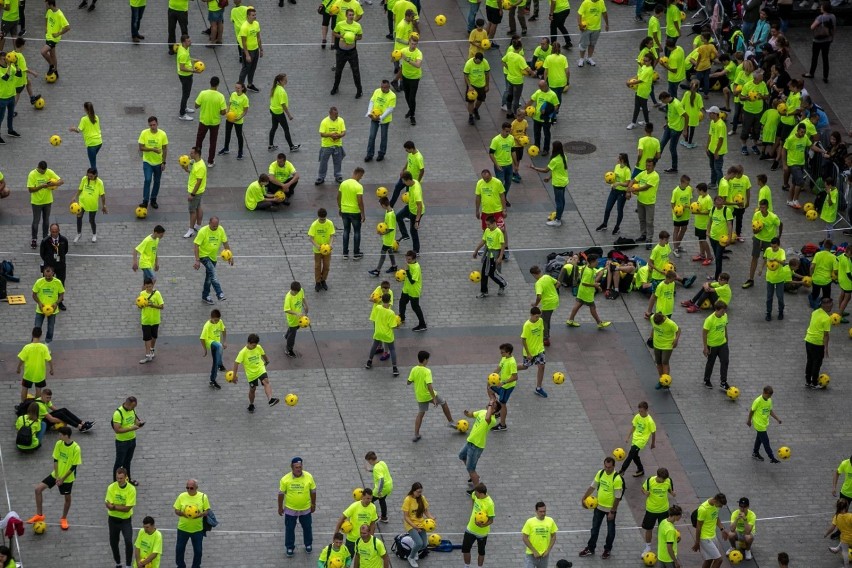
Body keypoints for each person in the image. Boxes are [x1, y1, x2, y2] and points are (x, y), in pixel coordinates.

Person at [26, 426, 81, 530]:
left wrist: (62, 479)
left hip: (67, 479)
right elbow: (55, 459)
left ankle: (64, 518)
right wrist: (56, 475)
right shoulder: (58, 443)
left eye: (60, 434)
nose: (58, 436)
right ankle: (39, 515)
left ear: (66, 436)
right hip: (55, 475)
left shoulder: (76, 448)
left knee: (67, 499)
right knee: (38, 489)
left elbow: (74, 466)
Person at [579, 457, 623, 559]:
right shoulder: (601, 473)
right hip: (598, 507)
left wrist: (612, 512)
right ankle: (590, 548)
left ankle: (607, 550)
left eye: (609, 467)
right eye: (605, 466)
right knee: (594, 529)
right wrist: (584, 498)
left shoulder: (616, 479)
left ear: (614, 466)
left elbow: (617, 498)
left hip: (610, 510)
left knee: (610, 532)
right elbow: (592, 487)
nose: (607, 469)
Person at [408, 350, 455, 441]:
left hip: (420, 396)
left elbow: (408, 382)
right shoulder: (427, 371)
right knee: (443, 402)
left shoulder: (414, 369)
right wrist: (434, 399)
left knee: (421, 414)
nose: (428, 361)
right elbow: (429, 386)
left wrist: (414, 380)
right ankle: (450, 422)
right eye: (428, 359)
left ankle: (416, 434)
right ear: (425, 360)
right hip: (429, 395)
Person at [278, 457, 317, 557]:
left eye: (300, 467)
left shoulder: (309, 476)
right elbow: (281, 494)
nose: (299, 469)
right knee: (290, 528)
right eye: (296, 467)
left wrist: (313, 504)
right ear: (292, 467)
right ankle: (290, 547)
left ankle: (308, 544)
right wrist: (280, 507)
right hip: (290, 509)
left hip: (305, 508)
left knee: (307, 527)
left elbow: (313, 491)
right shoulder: (285, 479)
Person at [232, 333, 280, 412]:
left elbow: (263, 354)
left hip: (260, 369)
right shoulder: (243, 352)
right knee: (252, 390)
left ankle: (270, 400)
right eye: (253, 345)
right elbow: (236, 363)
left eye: (255, 345)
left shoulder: (258, 347)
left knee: (266, 381)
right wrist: (234, 376)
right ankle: (251, 404)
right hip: (251, 374)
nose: (254, 347)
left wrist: (267, 361)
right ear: (248, 343)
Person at [459, 401, 500, 489]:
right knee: (462, 455)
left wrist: (490, 405)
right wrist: (467, 414)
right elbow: (472, 414)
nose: (490, 405)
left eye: (493, 406)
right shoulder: (482, 412)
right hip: (470, 441)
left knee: (471, 469)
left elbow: (487, 418)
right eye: (490, 404)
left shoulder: (492, 420)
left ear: (494, 411)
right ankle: (473, 476)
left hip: (476, 446)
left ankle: (477, 489)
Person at [565, 254, 612, 329]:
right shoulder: (588, 272)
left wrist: (603, 269)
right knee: (592, 307)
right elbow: (584, 282)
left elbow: (594, 275)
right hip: (586, 292)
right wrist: (595, 285)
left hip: (582, 291)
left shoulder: (588, 267)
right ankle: (599, 323)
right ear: (592, 262)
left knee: (578, 305)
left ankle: (570, 320)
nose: (597, 262)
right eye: (596, 261)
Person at [192, 217, 233, 304]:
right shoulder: (203, 231)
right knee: (213, 273)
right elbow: (196, 245)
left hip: (213, 257)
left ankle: (205, 296)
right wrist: (197, 260)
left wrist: (230, 256)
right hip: (204, 256)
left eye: (216, 226)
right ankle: (219, 293)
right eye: (214, 226)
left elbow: (225, 243)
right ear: (209, 223)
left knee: (209, 278)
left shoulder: (220, 229)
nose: (215, 228)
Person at [174, 479, 210, 568]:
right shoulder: (181, 496)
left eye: (191, 488)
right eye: (187, 488)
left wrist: (199, 515)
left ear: (196, 488)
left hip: (197, 530)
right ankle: (181, 566)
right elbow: (176, 510)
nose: (189, 490)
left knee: (198, 551)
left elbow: (207, 511)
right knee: (179, 550)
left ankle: (196, 566)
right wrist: (183, 514)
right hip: (183, 529)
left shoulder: (203, 497)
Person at [27, 160, 63, 248]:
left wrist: (54, 183)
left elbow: (61, 181)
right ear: (38, 168)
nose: (44, 173)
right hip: (36, 202)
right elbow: (30, 189)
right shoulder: (32, 174)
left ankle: (45, 238)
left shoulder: (49, 172)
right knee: (36, 221)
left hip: (47, 201)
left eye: (45, 171)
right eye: (42, 171)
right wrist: (41, 186)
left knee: (46, 221)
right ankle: (34, 239)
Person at [105, 467, 137, 568]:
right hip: (113, 520)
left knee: (128, 541)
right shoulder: (111, 487)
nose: (119, 480)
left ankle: (128, 565)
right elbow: (107, 504)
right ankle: (118, 562)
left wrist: (114, 506)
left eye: (121, 478)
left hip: (125, 520)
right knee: (113, 543)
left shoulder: (131, 489)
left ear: (126, 477)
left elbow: (127, 508)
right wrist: (118, 507)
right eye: (117, 478)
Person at [641, 469, 675, 557]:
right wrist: (645, 492)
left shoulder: (668, 480)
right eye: (662, 479)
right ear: (657, 476)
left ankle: (663, 547)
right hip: (651, 510)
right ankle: (648, 547)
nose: (663, 481)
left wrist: (673, 493)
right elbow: (642, 489)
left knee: (664, 530)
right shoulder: (649, 481)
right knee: (649, 529)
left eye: (664, 479)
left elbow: (670, 490)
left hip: (664, 510)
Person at [193, 76, 226, 167]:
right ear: (218, 85)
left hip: (203, 121)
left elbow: (196, 105)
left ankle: (196, 158)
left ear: (210, 83)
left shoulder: (203, 93)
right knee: (213, 142)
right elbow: (223, 112)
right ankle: (210, 161)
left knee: (199, 141)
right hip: (215, 123)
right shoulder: (220, 96)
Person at [472, 215, 507, 299]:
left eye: (488, 224)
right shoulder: (487, 230)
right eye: (486, 224)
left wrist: (500, 257)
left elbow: (502, 245)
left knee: (491, 274)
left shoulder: (498, 232)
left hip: (494, 256)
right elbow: (483, 241)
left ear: (494, 223)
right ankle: (484, 291)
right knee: (484, 273)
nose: (487, 226)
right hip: (488, 255)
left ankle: (502, 284)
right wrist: (476, 250)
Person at [692, 494, 730, 568]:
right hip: (705, 538)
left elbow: (716, 517)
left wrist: (722, 529)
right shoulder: (703, 509)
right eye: (720, 505)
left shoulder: (715, 505)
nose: (721, 507)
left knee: (709, 560)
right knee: (719, 560)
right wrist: (697, 542)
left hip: (713, 536)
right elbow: (698, 527)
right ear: (715, 500)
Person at [138, 116, 168, 210]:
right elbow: (141, 147)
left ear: (157, 123)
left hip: (158, 163)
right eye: (150, 125)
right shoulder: (144, 133)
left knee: (157, 181)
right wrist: (152, 149)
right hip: (147, 162)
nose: (152, 127)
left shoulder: (162, 134)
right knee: (147, 180)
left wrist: (164, 162)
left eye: (154, 124)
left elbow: (165, 149)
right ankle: (145, 201)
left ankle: (153, 199)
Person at [365, 293, 399, 375]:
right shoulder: (391, 313)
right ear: (390, 300)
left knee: (374, 346)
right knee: (392, 349)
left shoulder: (378, 307)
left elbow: (375, 318)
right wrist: (398, 325)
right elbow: (393, 326)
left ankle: (369, 362)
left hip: (378, 332)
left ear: (382, 300)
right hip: (387, 334)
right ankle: (394, 368)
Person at [619, 401, 656, 478]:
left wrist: (653, 443)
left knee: (631, 453)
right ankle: (640, 470)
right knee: (635, 456)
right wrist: (628, 436)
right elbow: (634, 427)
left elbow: (653, 432)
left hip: (641, 440)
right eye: (639, 411)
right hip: (635, 438)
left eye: (641, 411)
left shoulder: (650, 421)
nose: (640, 413)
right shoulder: (637, 416)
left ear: (646, 410)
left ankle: (622, 470)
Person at [461, 484, 494, 568]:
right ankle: (466, 566)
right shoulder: (475, 495)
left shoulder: (490, 504)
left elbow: (491, 520)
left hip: (482, 533)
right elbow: (472, 498)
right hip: (470, 528)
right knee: (465, 549)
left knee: (481, 552)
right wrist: (473, 509)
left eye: (476, 493)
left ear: (481, 493)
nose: (474, 494)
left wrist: (483, 525)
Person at [331, 9, 363, 98]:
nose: (351, 16)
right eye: (350, 15)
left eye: (353, 15)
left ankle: (359, 90)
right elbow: (334, 33)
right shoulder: (340, 24)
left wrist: (353, 37)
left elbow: (360, 37)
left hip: (352, 52)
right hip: (341, 52)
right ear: (346, 15)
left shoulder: (357, 26)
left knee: (356, 72)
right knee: (338, 71)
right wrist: (342, 36)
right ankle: (335, 87)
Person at [112, 396, 143, 485]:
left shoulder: (132, 410)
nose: (134, 408)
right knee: (119, 463)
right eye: (133, 406)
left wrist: (138, 423)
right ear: (128, 404)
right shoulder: (118, 413)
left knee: (127, 462)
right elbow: (117, 429)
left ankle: (127, 480)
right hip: (122, 442)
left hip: (132, 440)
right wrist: (131, 428)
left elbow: (134, 420)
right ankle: (115, 483)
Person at [16, 326, 52, 403]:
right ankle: (36, 405)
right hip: (39, 373)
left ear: (32, 334)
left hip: (28, 372)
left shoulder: (27, 347)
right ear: (41, 335)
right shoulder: (44, 347)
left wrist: (18, 368)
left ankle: (23, 405)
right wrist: (52, 369)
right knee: (38, 389)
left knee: (25, 388)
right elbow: (49, 359)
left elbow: (22, 359)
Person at [71, 168, 106, 243]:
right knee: (79, 217)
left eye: (91, 176)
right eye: (88, 175)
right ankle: (79, 233)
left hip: (92, 205)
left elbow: (102, 195)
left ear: (95, 175)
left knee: (91, 220)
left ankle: (94, 234)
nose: (89, 177)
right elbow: (80, 189)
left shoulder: (99, 182)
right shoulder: (84, 179)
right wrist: (75, 196)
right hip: (82, 202)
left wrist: (104, 206)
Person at [401, 482, 433, 567]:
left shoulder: (422, 498)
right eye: (418, 492)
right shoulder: (408, 500)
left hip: (421, 523)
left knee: (424, 544)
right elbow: (406, 517)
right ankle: (411, 557)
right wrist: (414, 526)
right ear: (413, 491)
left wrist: (431, 518)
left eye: (421, 492)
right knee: (419, 543)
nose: (419, 494)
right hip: (410, 524)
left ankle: (414, 549)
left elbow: (426, 511)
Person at [631, 159, 660, 249]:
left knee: (649, 221)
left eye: (649, 166)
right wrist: (629, 188)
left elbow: (646, 187)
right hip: (640, 200)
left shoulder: (655, 176)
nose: (647, 167)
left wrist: (634, 189)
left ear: (654, 166)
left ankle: (649, 240)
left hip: (649, 202)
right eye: (647, 165)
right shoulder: (643, 173)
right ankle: (643, 235)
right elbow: (634, 180)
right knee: (642, 219)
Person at [39, 223, 68, 310]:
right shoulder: (45, 241)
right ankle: (46, 300)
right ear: (50, 231)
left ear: (59, 231)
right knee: (47, 283)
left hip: (60, 265)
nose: (54, 233)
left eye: (56, 231)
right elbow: (42, 254)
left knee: (61, 284)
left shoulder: (63, 240)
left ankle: (60, 302)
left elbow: (65, 250)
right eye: (53, 232)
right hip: (49, 266)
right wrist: (48, 261)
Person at [805, 296, 833, 388]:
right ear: (824, 305)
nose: (830, 306)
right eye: (829, 305)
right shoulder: (826, 318)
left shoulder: (815, 312)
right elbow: (826, 335)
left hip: (808, 340)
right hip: (818, 343)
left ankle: (808, 381)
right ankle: (814, 383)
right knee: (816, 364)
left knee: (809, 361)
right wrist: (826, 348)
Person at [31, 265, 64, 343]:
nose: (47, 277)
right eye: (46, 275)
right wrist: (39, 303)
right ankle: (34, 343)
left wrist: (56, 303)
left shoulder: (57, 282)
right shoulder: (39, 282)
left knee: (50, 328)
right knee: (37, 327)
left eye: (49, 275)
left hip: (53, 310)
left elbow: (61, 295)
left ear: (53, 273)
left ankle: (47, 344)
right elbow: (34, 294)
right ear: (43, 273)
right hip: (40, 309)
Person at [803, 2, 835, 83]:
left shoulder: (820, 17)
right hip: (827, 40)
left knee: (815, 57)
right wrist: (832, 38)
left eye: (821, 7)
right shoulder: (833, 16)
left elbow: (812, 27)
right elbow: (833, 29)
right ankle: (825, 76)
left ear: (824, 9)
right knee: (825, 58)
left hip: (818, 40)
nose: (820, 8)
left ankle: (811, 73)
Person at [338, 168, 366, 260]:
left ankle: (345, 253)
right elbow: (360, 201)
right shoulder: (358, 186)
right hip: (355, 212)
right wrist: (363, 213)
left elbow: (338, 197)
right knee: (357, 232)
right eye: (361, 176)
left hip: (344, 211)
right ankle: (356, 253)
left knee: (346, 231)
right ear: (357, 173)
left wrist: (340, 208)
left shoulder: (343, 183)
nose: (361, 178)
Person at [365, 80, 395, 162]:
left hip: (385, 120)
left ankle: (381, 153)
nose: (382, 89)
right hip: (374, 117)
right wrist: (369, 112)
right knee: (372, 136)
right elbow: (371, 101)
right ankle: (369, 154)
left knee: (383, 137)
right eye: (381, 86)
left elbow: (390, 109)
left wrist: (381, 117)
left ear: (389, 87)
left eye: (385, 87)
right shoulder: (377, 91)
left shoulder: (392, 96)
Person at [268, 74, 299, 153]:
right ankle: (291, 147)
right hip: (279, 112)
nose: (286, 81)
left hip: (273, 110)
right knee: (286, 129)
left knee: (274, 127)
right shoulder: (282, 91)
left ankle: (270, 145)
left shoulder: (275, 87)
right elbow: (283, 104)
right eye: (285, 79)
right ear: (281, 81)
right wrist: (289, 115)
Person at [702, 300, 729, 390]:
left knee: (725, 362)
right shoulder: (709, 320)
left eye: (724, 310)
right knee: (710, 363)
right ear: (717, 310)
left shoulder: (724, 316)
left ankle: (723, 382)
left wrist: (726, 339)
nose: (724, 312)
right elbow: (704, 333)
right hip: (712, 346)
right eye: (722, 310)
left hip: (723, 344)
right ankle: (707, 380)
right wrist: (705, 347)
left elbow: (725, 327)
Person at [396, 36, 423, 125]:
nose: (413, 45)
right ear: (409, 42)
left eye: (415, 44)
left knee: (412, 97)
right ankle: (411, 110)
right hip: (405, 76)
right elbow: (393, 59)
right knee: (407, 96)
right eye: (412, 43)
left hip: (415, 78)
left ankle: (412, 116)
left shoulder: (418, 53)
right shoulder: (404, 51)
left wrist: (407, 59)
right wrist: (393, 56)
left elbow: (418, 65)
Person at [68, 102, 102, 170]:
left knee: (93, 165)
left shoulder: (84, 119)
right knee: (93, 159)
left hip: (91, 144)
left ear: (85, 109)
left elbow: (78, 130)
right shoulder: (96, 117)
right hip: (99, 142)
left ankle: (94, 178)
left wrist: (73, 129)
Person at [40, 0, 70, 79]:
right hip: (48, 36)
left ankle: (51, 65)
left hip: (54, 38)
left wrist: (58, 34)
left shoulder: (60, 15)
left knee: (43, 52)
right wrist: (46, 27)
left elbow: (68, 27)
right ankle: (56, 71)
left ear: (51, 5)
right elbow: (46, 18)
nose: (46, 7)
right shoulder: (49, 11)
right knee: (53, 55)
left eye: (47, 5)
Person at [219, 82, 249, 160]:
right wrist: (227, 112)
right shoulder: (233, 94)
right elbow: (230, 104)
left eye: (238, 88)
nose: (236, 89)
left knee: (239, 136)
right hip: (229, 118)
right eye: (236, 87)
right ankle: (226, 148)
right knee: (227, 134)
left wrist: (239, 118)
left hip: (238, 120)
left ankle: (240, 152)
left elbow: (245, 111)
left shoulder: (245, 98)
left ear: (242, 88)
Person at [317, 107, 346, 185]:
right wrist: (330, 135)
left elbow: (344, 132)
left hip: (337, 145)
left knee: (338, 161)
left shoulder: (341, 120)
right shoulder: (324, 122)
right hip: (326, 146)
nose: (337, 115)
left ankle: (338, 175)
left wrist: (339, 135)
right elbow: (322, 134)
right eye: (335, 114)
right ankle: (321, 177)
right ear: (330, 113)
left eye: (337, 113)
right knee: (323, 162)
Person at [137, 277, 163, 365]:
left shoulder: (157, 294)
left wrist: (153, 305)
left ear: (153, 285)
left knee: (154, 336)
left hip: (155, 320)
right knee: (147, 338)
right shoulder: (142, 293)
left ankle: (152, 349)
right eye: (147, 286)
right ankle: (148, 355)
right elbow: (139, 306)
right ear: (144, 286)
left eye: (150, 286)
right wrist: (141, 306)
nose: (149, 288)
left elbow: (162, 306)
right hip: (145, 320)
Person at [390, 141, 425, 206]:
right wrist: (403, 170)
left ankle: (409, 208)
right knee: (397, 187)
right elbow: (408, 161)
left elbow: (422, 171)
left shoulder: (419, 158)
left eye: (407, 149)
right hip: (405, 176)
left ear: (411, 148)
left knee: (408, 196)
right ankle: (391, 204)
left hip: (411, 180)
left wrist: (418, 181)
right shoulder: (410, 153)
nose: (406, 150)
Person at [308, 208, 336, 290]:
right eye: (321, 219)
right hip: (318, 250)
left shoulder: (330, 223)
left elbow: (332, 235)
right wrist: (317, 246)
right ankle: (317, 282)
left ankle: (323, 280)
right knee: (317, 266)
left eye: (324, 219)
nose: (323, 221)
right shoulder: (314, 225)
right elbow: (311, 237)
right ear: (318, 217)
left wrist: (330, 245)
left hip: (327, 250)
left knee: (326, 266)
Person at [181, 147, 206, 237]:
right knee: (198, 207)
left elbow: (198, 182)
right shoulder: (195, 162)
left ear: (197, 154)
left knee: (192, 210)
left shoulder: (200, 167)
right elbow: (192, 173)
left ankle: (191, 230)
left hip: (195, 191)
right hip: (198, 191)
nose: (190, 155)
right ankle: (198, 226)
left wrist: (192, 194)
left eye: (192, 153)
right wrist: (185, 167)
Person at [399, 250, 426, 331]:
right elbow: (406, 276)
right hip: (406, 288)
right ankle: (402, 318)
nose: (407, 261)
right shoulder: (409, 264)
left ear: (414, 259)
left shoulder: (416, 268)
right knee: (402, 302)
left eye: (409, 259)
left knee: (415, 307)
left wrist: (406, 270)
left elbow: (412, 281)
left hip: (414, 290)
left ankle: (422, 324)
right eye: (407, 259)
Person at [369, 198, 397, 277]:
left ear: (384, 205)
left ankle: (377, 270)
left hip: (388, 238)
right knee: (390, 251)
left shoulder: (390, 215)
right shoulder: (388, 211)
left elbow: (391, 228)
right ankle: (394, 266)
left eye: (381, 205)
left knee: (383, 253)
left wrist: (382, 233)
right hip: (387, 237)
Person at [176, 36, 201, 122]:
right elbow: (182, 67)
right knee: (185, 94)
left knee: (187, 93)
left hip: (187, 75)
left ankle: (185, 107)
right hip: (185, 76)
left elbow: (187, 59)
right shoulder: (183, 53)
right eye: (188, 41)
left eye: (190, 40)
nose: (190, 42)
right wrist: (194, 71)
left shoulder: (184, 48)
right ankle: (182, 113)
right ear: (183, 42)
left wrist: (193, 60)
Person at [200, 309, 227, 389]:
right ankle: (219, 365)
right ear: (211, 318)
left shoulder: (220, 321)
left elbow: (224, 330)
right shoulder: (207, 326)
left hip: (217, 343)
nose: (216, 322)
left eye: (218, 320)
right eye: (215, 320)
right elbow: (202, 338)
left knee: (217, 356)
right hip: (210, 343)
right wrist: (205, 350)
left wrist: (225, 341)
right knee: (219, 346)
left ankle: (214, 377)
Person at [576, 0, 607, 67]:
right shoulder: (586, 2)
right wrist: (580, 24)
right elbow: (579, 14)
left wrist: (607, 24)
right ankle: (581, 59)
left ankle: (589, 58)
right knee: (583, 44)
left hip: (596, 28)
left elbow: (604, 13)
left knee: (592, 44)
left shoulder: (601, 2)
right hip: (586, 28)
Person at [365, 452, 393, 523]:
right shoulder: (382, 462)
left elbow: (381, 479)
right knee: (382, 500)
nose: (369, 463)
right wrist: (370, 470)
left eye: (368, 461)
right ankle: (384, 517)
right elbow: (379, 471)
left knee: (369, 500)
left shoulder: (376, 468)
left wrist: (379, 491)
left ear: (371, 460)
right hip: (389, 486)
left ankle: (375, 517)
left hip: (382, 488)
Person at [238, 7, 261, 89]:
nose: (255, 16)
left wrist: (260, 49)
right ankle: (240, 85)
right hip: (248, 51)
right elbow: (244, 42)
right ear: (248, 16)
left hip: (255, 50)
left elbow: (258, 37)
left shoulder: (256, 24)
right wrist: (247, 55)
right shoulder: (244, 27)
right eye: (253, 15)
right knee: (245, 69)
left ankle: (250, 84)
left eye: (255, 15)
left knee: (253, 68)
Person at [464, 51, 490, 125]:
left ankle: (475, 109)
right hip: (472, 85)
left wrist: (487, 85)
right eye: (478, 61)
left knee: (480, 100)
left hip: (482, 85)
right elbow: (465, 75)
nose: (480, 63)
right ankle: (470, 116)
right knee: (470, 101)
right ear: (475, 58)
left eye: (481, 61)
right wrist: (469, 86)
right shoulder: (469, 63)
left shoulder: (485, 62)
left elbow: (487, 74)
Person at [283, 281, 307, 358]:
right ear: (292, 290)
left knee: (295, 328)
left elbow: (302, 298)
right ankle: (289, 350)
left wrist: (306, 305)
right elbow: (286, 310)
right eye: (296, 292)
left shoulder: (300, 290)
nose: (297, 294)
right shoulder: (288, 297)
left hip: (299, 318)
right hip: (292, 319)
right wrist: (296, 313)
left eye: (298, 292)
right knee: (293, 335)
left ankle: (287, 335)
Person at [826, 498, 852, 567]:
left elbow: (832, 528)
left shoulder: (836, 517)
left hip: (844, 540)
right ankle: (836, 549)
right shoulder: (850, 516)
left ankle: (846, 566)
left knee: (845, 555)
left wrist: (826, 534)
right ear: (847, 507)